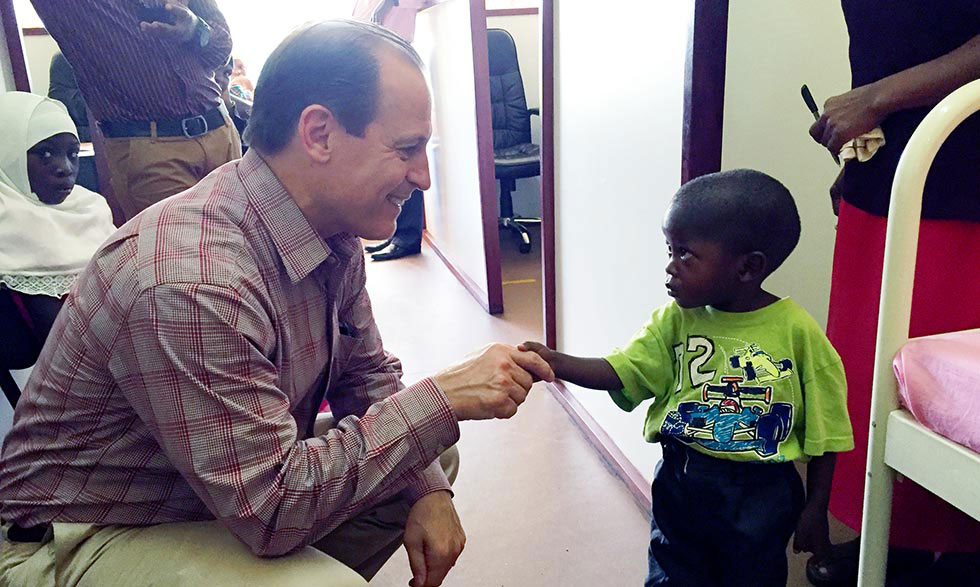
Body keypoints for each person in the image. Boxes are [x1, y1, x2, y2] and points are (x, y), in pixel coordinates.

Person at [0, 21, 553, 587]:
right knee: (365, 509)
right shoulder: (193, 280)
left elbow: (364, 377)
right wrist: (444, 398)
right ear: (318, 134)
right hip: (83, 531)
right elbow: (271, 511)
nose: (424, 177)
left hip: (205, 493)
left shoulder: (329, 231)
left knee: (425, 468)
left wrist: (428, 487)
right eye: (407, 149)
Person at [522, 170, 854, 587]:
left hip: (761, 493)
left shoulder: (798, 335)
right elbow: (622, 369)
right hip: (682, 477)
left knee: (751, 576)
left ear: (747, 268)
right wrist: (555, 362)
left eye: (685, 254)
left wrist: (815, 507)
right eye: (670, 249)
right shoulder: (675, 321)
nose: (670, 266)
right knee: (673, 571)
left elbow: (828, 432)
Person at [807, 2, 980, 583]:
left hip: (964, 181)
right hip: (889, 171)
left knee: (945, 383)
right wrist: (858, 164)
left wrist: (877, 98)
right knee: (867, 372)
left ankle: (953, 549)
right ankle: (891, 537)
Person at [30, 0, 241, 221]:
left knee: (247, 246)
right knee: (183, 250)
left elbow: (221, 48)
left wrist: (196, 30)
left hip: (221, 132)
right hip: (153, 150)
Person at [0, 92, 115, 379]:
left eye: (72, 154)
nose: (65, 168)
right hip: (55, 376)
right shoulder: (6, 219)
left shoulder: (90, 208)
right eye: (45, 153)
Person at [354, 0, 431, 261]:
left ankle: (407, 237)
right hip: (378, 79)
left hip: (404, 73)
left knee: (408, 164)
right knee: (390, 165)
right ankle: (396, 234)